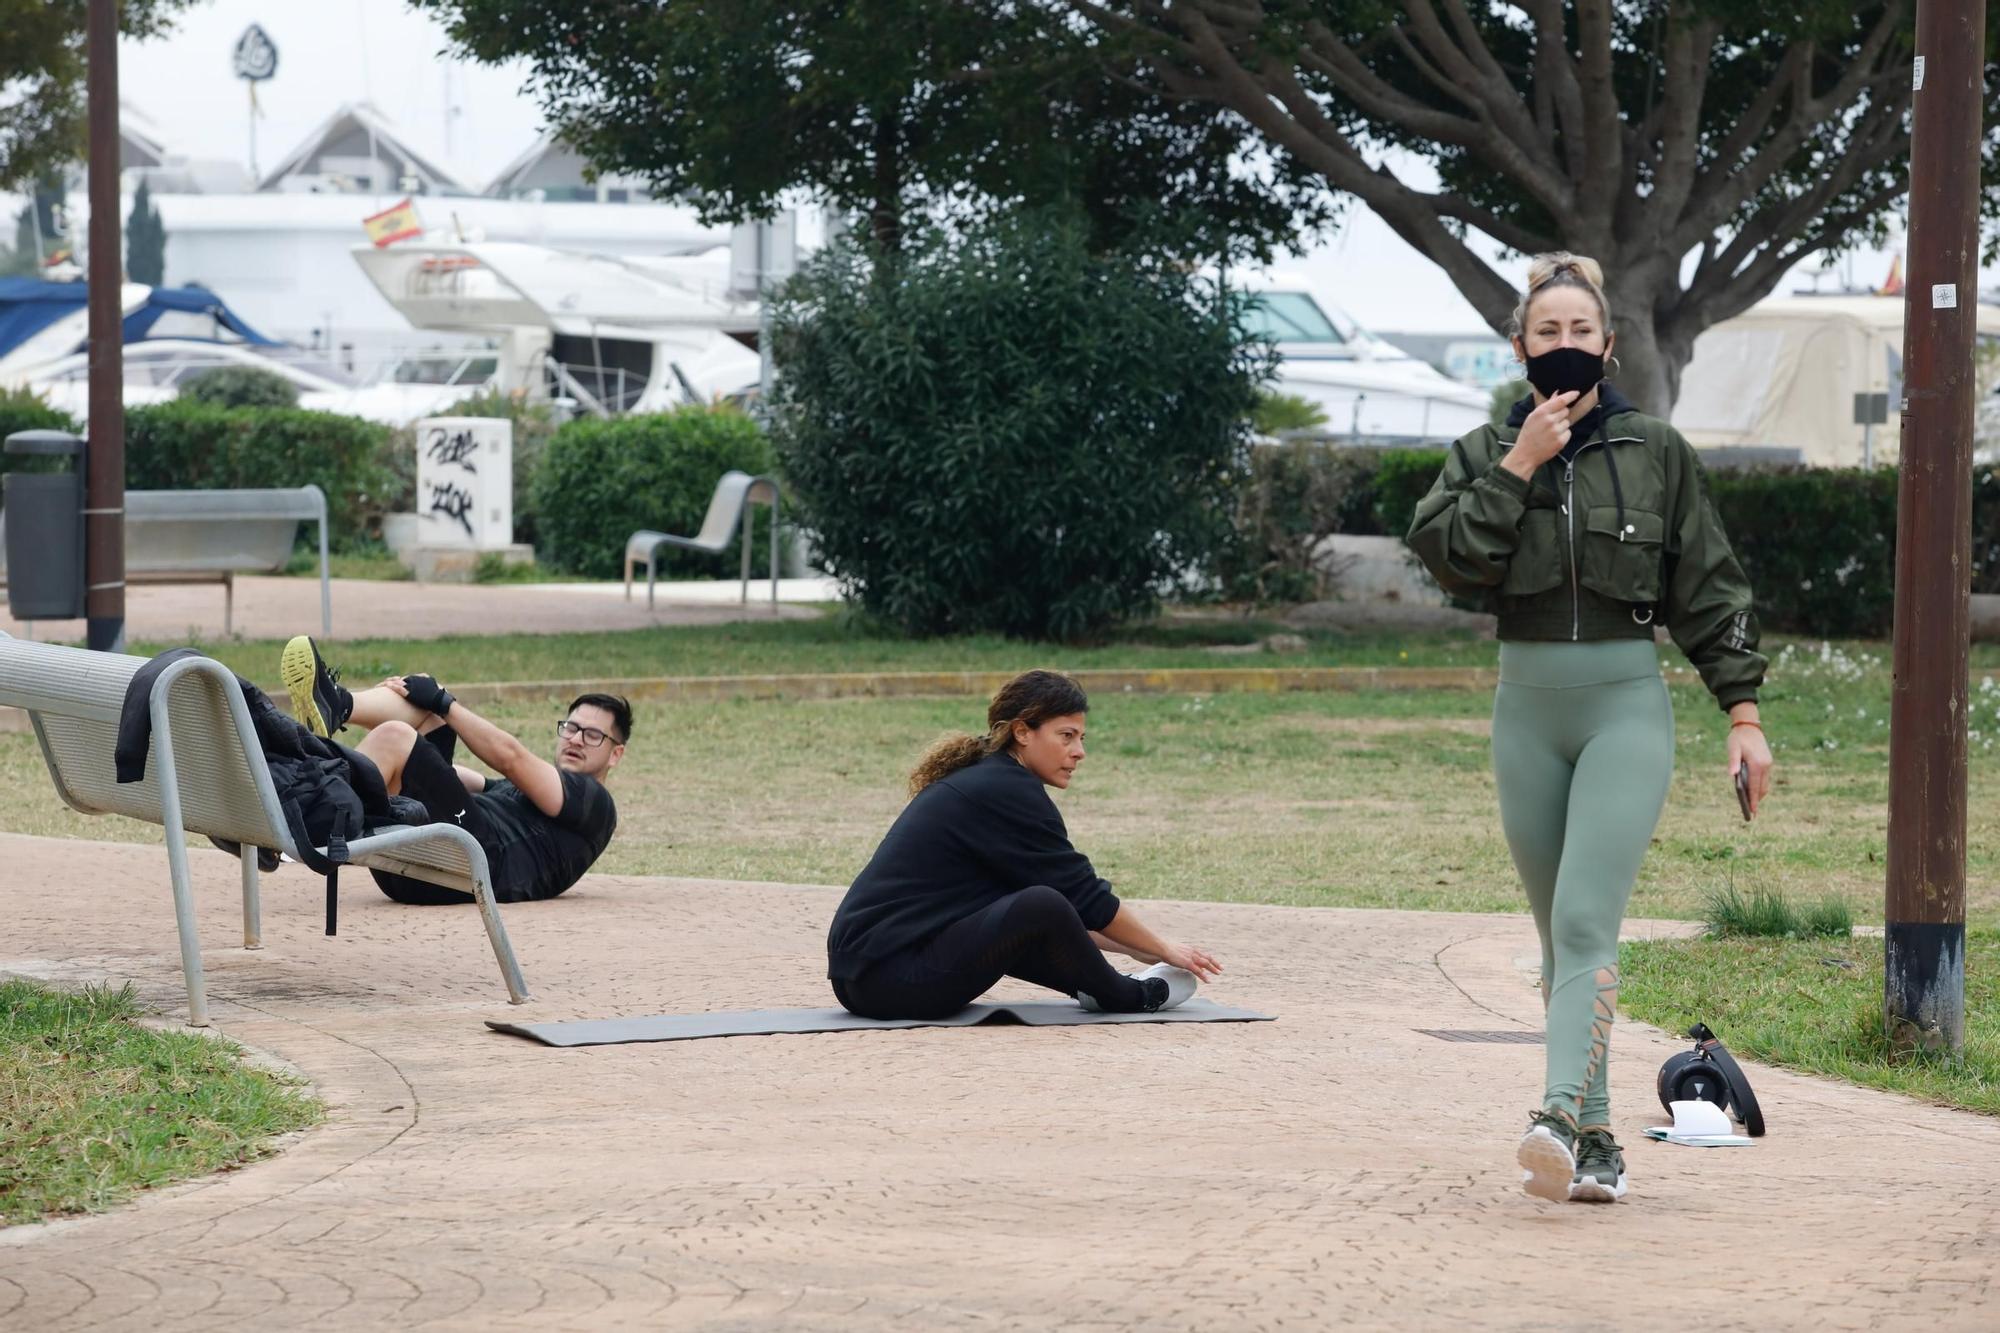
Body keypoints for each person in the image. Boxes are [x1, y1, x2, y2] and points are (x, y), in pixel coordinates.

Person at [1407, 253, 1774, 1206]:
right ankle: (1602, 1143)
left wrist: (1743, 714)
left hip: (1624, 704)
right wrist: (1521, 462)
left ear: (1608, 346)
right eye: (1546, 332)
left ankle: (1558, 1112)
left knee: (1583, 920)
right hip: (1523, 708)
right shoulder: (1483, 452)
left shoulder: (1656, 450)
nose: (1563, 346)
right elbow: (1450, 561)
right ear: (1520, 345)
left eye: (1580, 332)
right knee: (1559, 941)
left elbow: (1710, 586)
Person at [827, 670, 1222, 1020]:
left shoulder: (987, 777)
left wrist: (1134, 948)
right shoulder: (1007, 790)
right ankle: (1129, 995)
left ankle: (1091, 985)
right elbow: (1084, 898)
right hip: (893, 980)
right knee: (1041, 901)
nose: (1079, 752)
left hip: (868, 979)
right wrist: (1163, 948)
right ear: (1022, 732)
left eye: (1081, 738)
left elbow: (1042, 912)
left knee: (1032, 902)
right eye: (1066, 736)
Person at [280, 635, 624, 905]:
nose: (576, 739)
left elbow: (510, 756)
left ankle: (308, 813)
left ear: (615, 754)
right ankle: (337, 705)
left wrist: (446, 702)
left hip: (472, 865)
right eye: (571, 728)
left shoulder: (595, 803)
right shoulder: (532, 798)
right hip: (437, 858)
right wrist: (419, 706)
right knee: (423, 709)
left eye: (592, 735)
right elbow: (460, 777)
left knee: (400, 736)